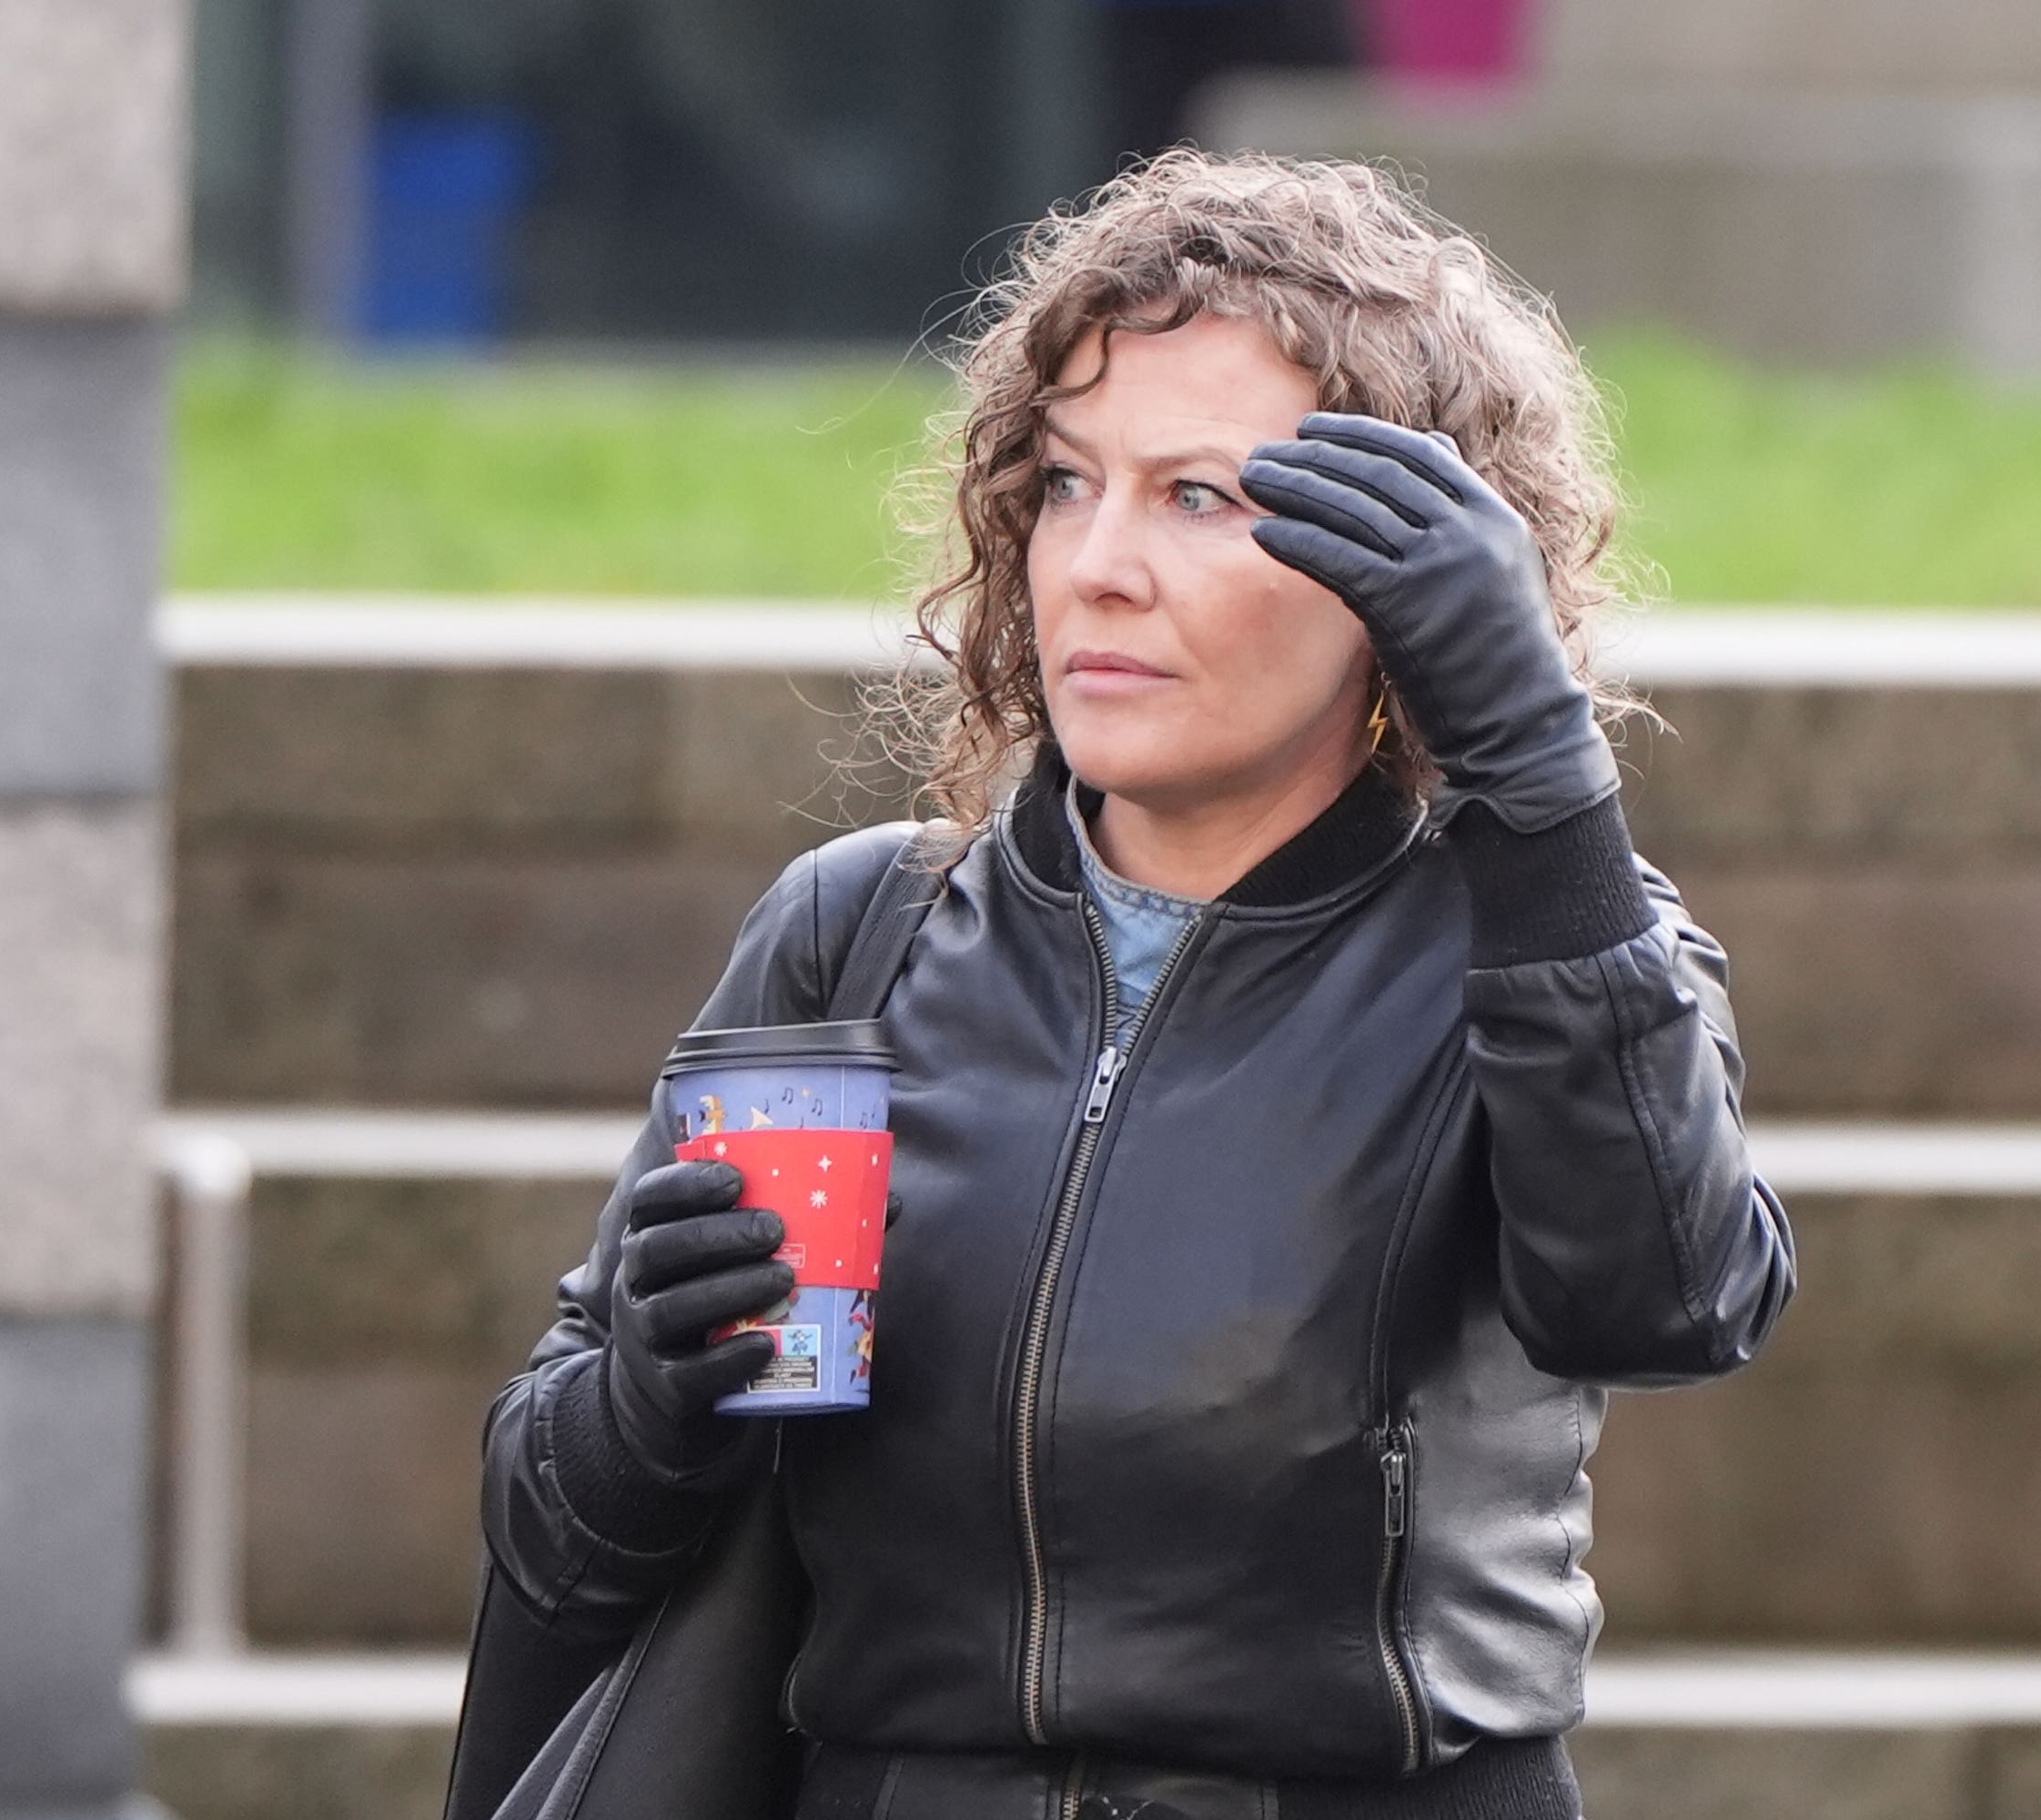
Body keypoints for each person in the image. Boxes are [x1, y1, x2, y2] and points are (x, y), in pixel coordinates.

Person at [475, 147, 1797, 1819]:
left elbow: (1666, 1302)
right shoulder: (857, 934)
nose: (1098, 564)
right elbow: (552, 1524)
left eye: (1198, 498)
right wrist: (650, 1401)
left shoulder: (1545, 943)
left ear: (1406, 576)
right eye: (1063, 482)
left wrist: (1540, 782)